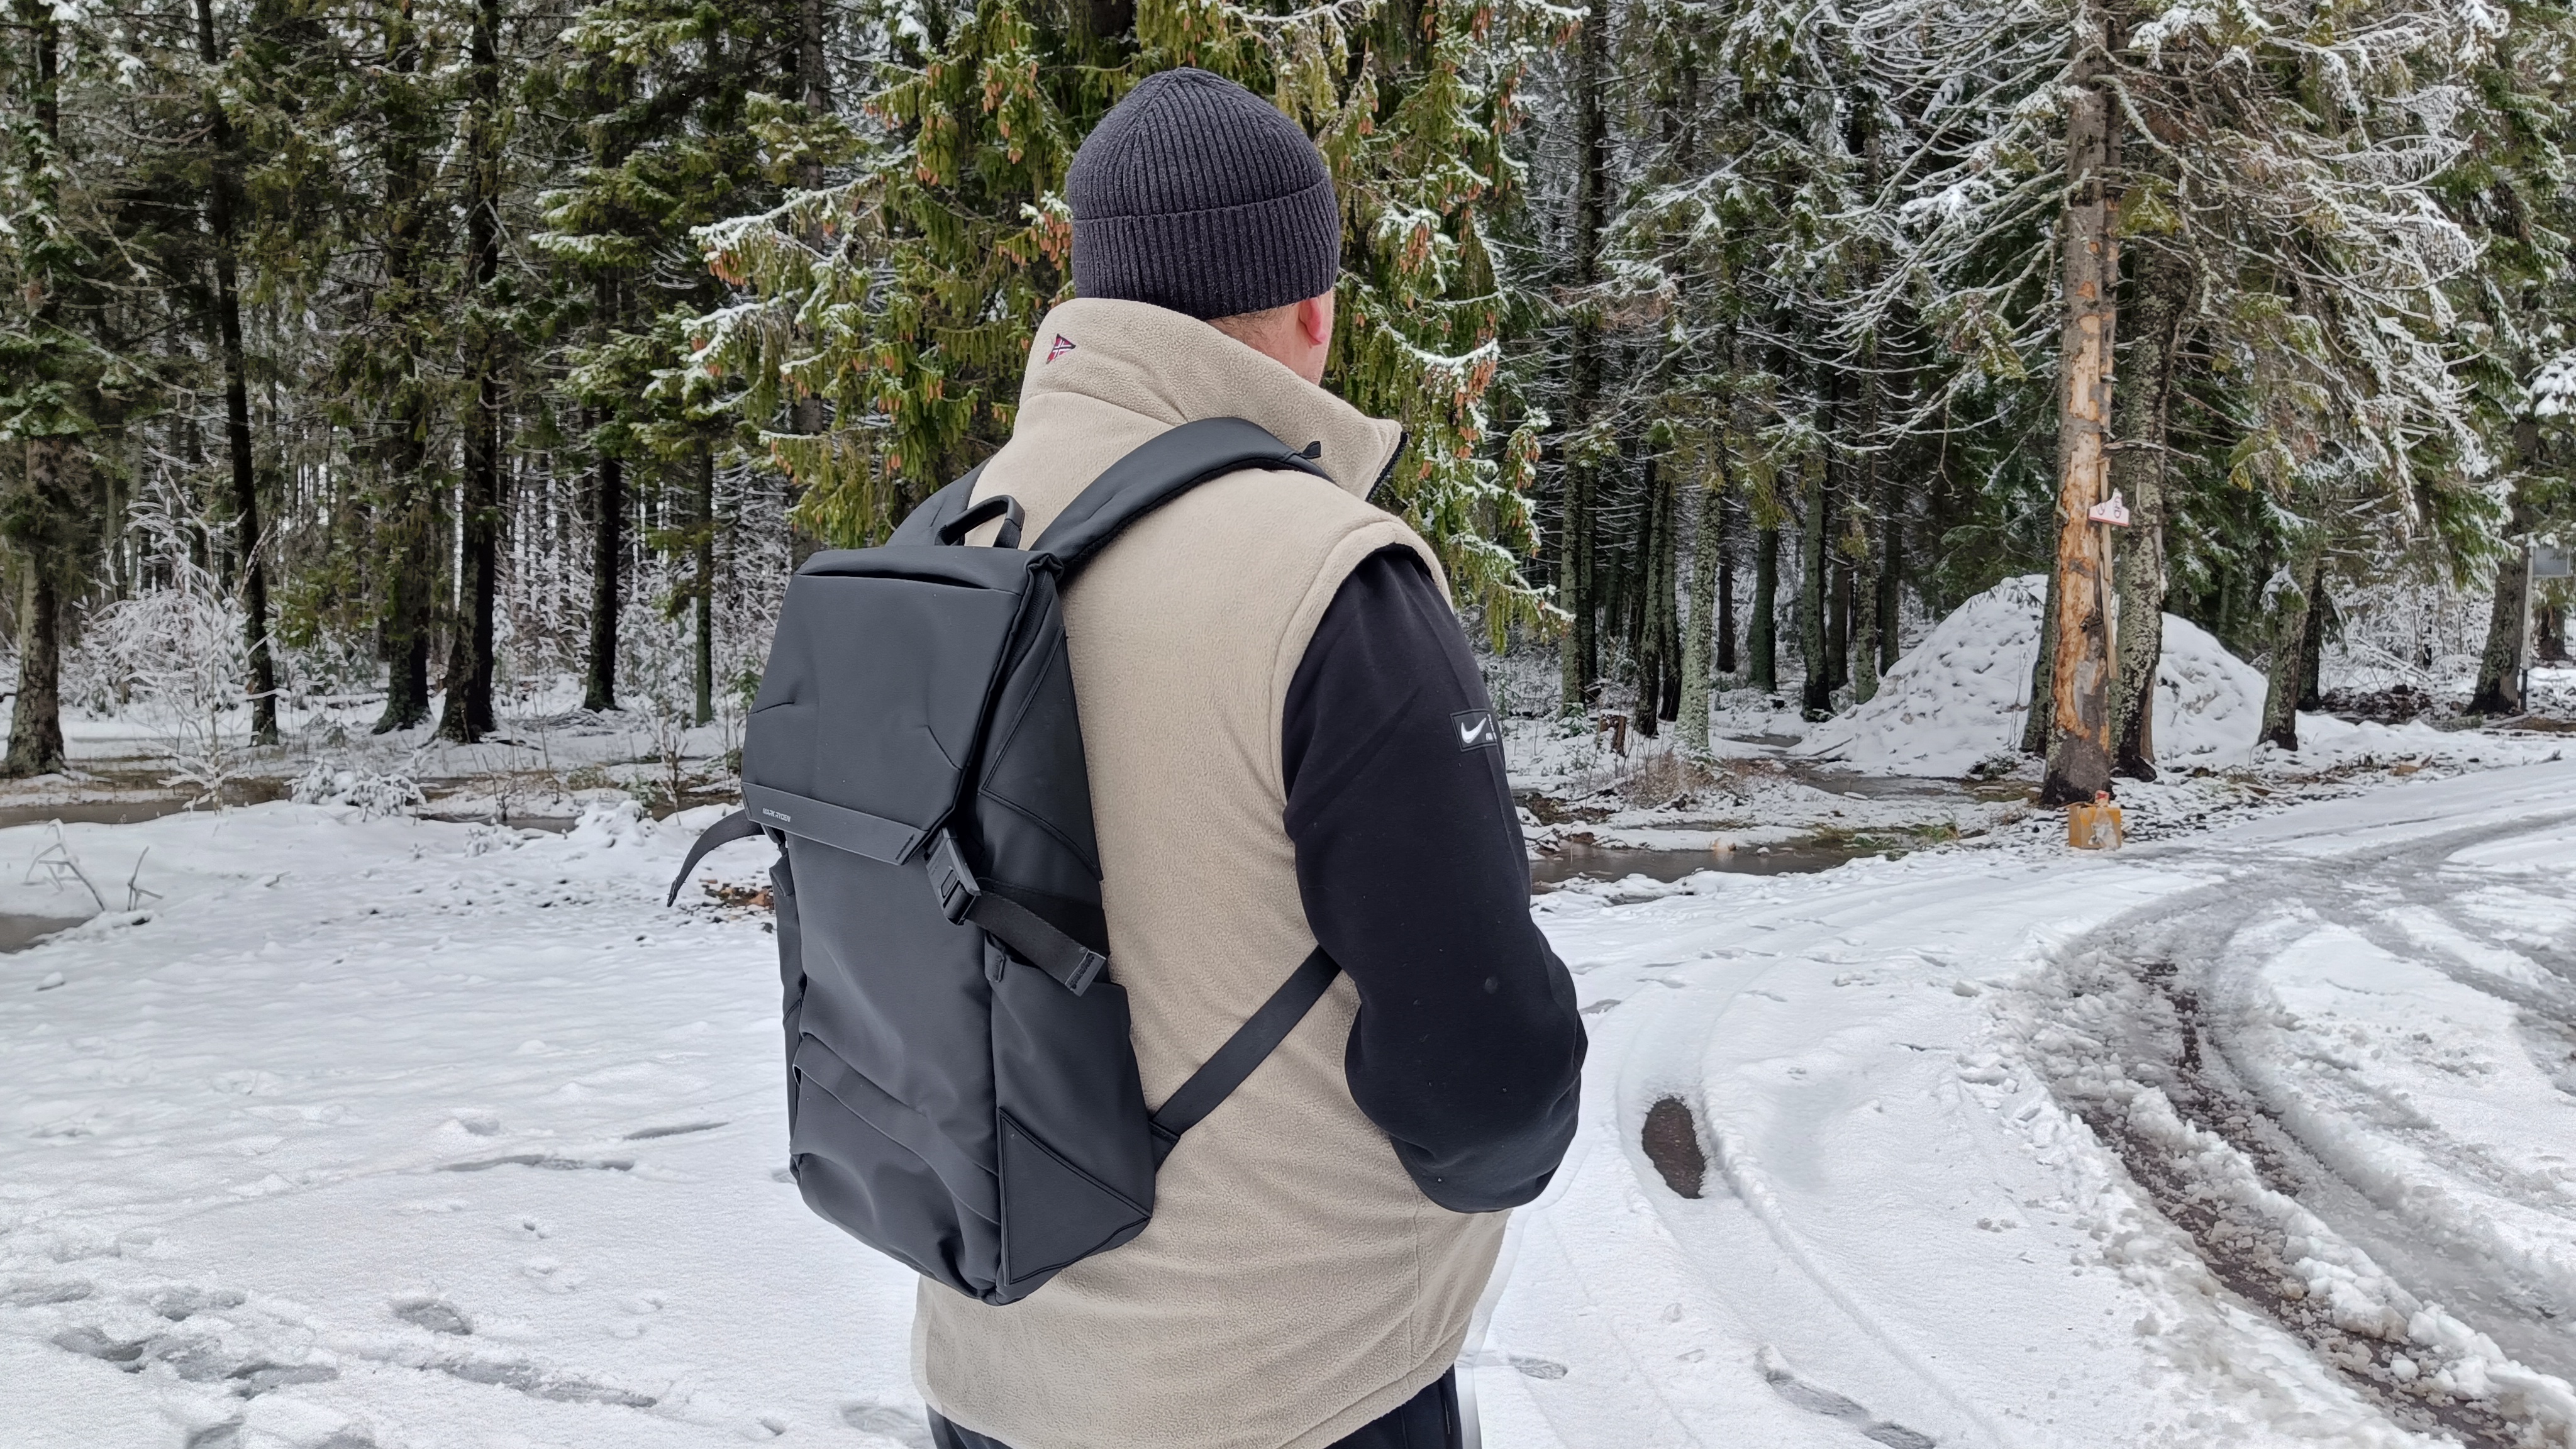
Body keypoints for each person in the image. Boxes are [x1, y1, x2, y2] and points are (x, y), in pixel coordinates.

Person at [915, 67, 1587, 1449]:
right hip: (1284, 1383)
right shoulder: (1327, 574)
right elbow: (1483, 1076)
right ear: (1313, 310)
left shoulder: (946, 538)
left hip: (987, 1367)